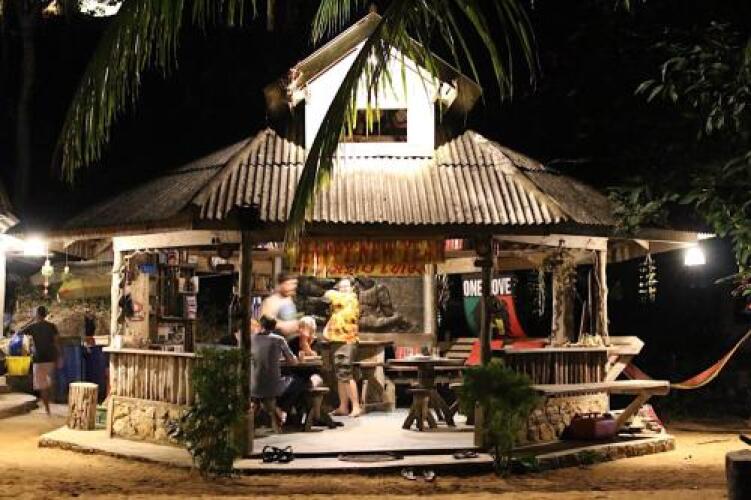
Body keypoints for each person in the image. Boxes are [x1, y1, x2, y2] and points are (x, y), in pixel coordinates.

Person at [250, 315, 307, 427]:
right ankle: (283, 409)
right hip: (272, 387)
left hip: (253, 386)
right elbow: (292, 362)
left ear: (261, 325)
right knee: (299, 382)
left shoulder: (251, 339)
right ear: (274, 327)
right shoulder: (279, 339)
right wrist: (299, 359)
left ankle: (278, 411)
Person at [323, 278, 363, 417]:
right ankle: (343, 406)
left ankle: (356, 406)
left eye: (346, 286)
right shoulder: (338, 307)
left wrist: (333, 292)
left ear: (352, 288)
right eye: (341, 287)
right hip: (336, 340)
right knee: (340, 375)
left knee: (345, 373)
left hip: (346, 341)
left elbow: (330, 295)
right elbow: (333, 318)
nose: (343, 289)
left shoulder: (351, 299)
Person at [20, 306, 61, 415]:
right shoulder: (52, 326)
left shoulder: (33, 326)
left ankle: (48, 409)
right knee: (50, 382)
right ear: (45, 314)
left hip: (39, 359)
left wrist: (31, 320)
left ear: (37, 314)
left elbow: (19, 331)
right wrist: (60, 357)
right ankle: (52, 402)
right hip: (50, 358)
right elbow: (57, 342)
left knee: (42, 386)